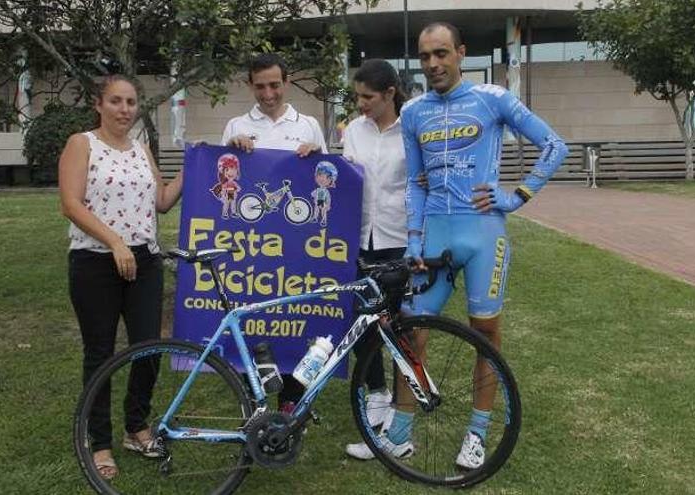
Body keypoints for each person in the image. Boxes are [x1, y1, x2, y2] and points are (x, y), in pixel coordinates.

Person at [375, 22, 569, 469]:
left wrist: (516, 195)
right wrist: (413, 241)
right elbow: (415, 186)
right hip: (433, 239)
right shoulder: (414, 112)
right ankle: (401, 433)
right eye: (425, 57)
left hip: (483, 236)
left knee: (486, 336)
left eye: (441, 53)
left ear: (460, 53)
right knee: (411, 333)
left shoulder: (493, 99)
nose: (433, 64)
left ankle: (477, 434)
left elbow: (554, 145)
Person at [59, 75, 184, 480]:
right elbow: (71, 204)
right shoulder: (82, 144)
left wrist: (196, 165)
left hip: (144, 262)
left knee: (148, 348)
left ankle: (137, 427)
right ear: (99, 104)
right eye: (116, 101)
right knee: (101, 353)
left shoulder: (141, 149)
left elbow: (162, 201)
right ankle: (99, 442)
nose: (124, 109)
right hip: (95, 262)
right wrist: (115, 242)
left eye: (131, 102)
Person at [221, 53, 327, 413]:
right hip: (254, 245)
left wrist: (316, 154)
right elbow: (225, 172)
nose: (268, 93)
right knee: (259, 318)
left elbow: (328, 177)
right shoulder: (235, 124)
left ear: (286, 82)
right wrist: (233, 149)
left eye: (275, 85)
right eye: (260, 86)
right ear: (250, 85)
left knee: (296, 318)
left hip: (299, 243)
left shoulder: (309, 123)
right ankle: (257, 399)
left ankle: (292, 402)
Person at [337, 59, 410, 459]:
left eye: (367, 97)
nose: (361, 103)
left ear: (389, 94)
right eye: (357, 96)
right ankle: (377, 394)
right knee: (361, 323)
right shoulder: (353, 132)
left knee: (399, 329)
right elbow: (344, 177)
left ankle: (401, 417)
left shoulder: (410, 130)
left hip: (398, 240)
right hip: (358, 240)